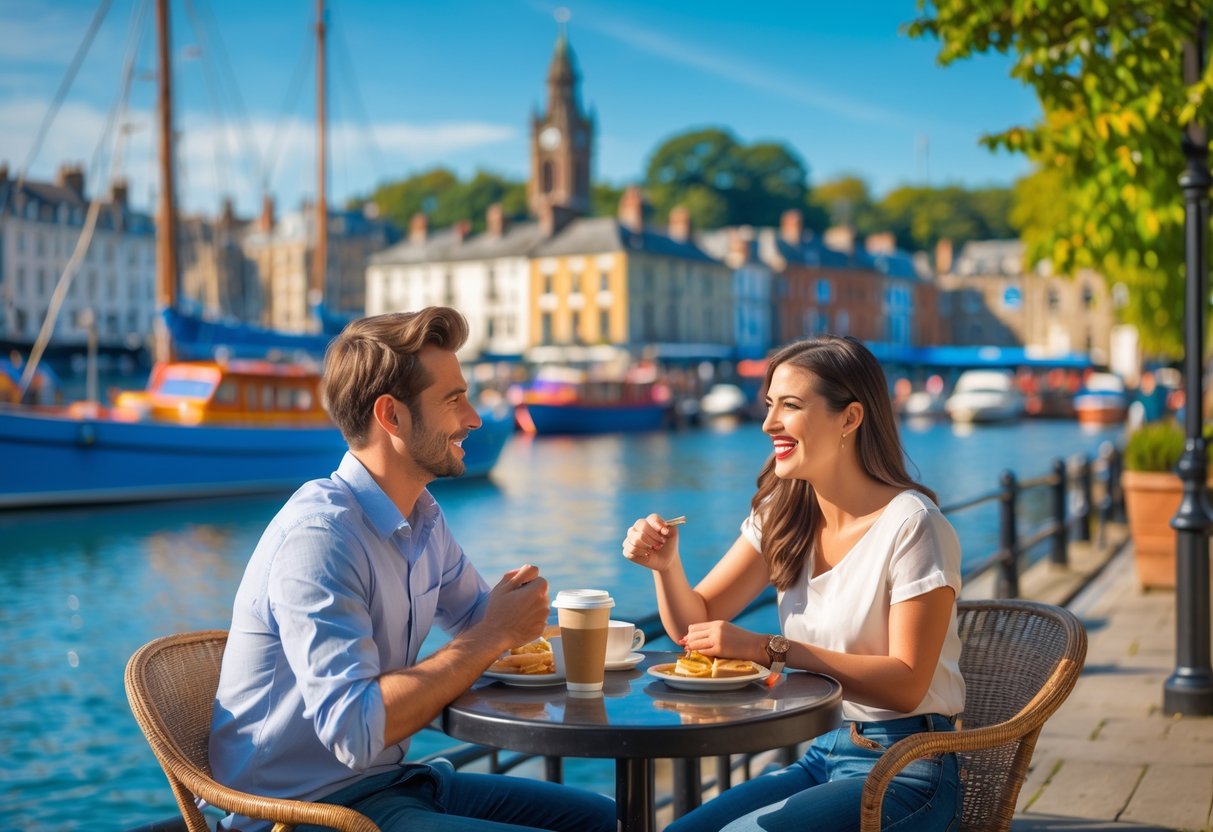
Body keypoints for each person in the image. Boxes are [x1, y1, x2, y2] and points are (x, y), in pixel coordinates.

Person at [210, 307, 614, 832]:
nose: (472, 418)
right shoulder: (320, 538)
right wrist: (495, 631)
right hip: (305, 816)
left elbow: (479, 620)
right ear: (391, 416)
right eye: (454, 400)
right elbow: (355, 730)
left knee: (607, 820)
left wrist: (523, 621)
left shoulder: (421, 516)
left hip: (392, 785)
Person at [621, 334, 965, 832]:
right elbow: (692, 626)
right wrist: (666, 568)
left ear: (849, 418)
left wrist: (770, 648)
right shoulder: (782, 515)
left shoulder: (914, 525)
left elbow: (907, 685)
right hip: (822, 750)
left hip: (909, 767)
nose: (768, 423)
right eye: (768, 405)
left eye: (790, 406)